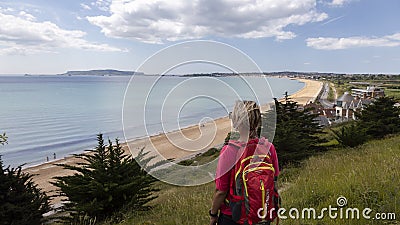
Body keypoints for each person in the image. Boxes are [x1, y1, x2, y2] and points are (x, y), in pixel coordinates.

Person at [209, 100, 280, 225]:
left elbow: (221, 191)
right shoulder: (269, 147)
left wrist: (213, 214)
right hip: (261, 214)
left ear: (236, 123)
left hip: (233, 216)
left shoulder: (229, 151)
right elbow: (273, 180)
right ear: (258, 121)